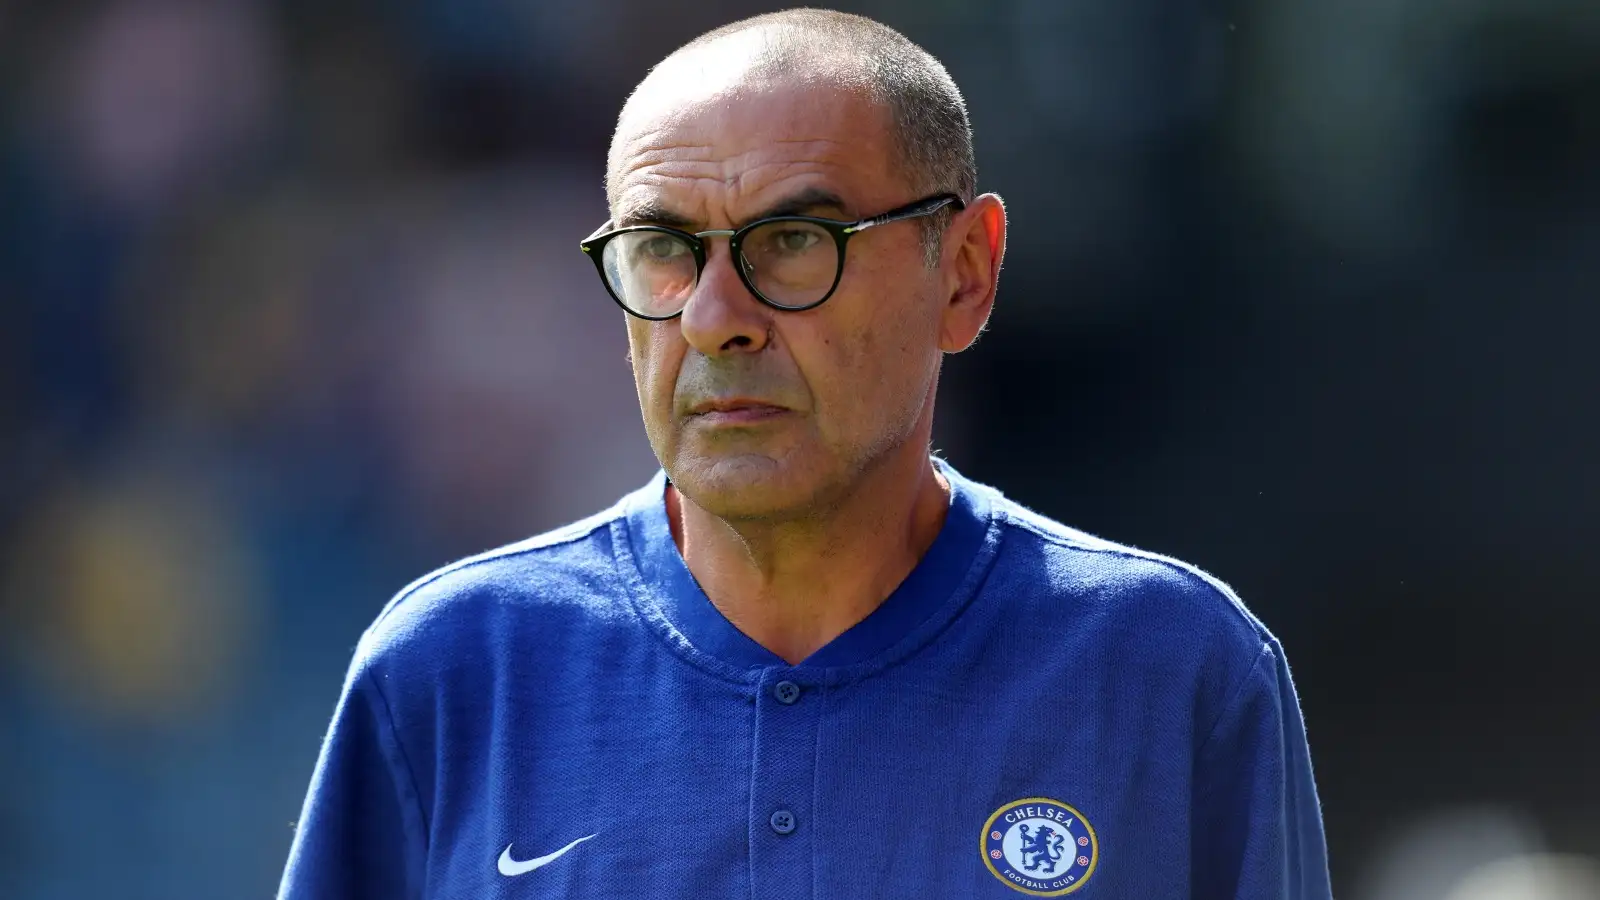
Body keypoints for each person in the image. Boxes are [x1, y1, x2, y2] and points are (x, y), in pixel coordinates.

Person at [278, 9, 1332, 899]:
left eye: (793, 242)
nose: (714, 318)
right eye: (663, 252)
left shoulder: (1170, 669)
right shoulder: (455, 670)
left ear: (964, 272)